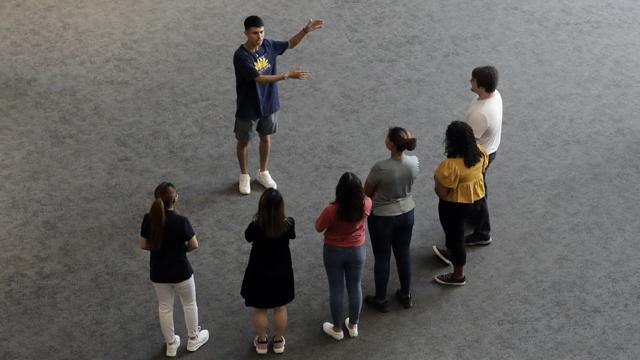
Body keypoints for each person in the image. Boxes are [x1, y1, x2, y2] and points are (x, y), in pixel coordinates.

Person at [233, 15, 324, 194]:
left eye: (261, 32)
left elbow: (289, 44)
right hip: (248, 106)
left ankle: (263, 171)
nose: (259, 36)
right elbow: (259, 78)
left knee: (265, 137)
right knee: (243, 142)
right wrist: (286, 76)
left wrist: (305, 31)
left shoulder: (268, 45)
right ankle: (244, 175)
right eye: (254, 33)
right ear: (245, 33)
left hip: (269, 103)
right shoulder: (241, 56)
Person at [139, 182, 209, 357]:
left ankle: (171, 344)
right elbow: (194, 244)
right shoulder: (181, 221)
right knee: (189, 304)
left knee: (164, 307)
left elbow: (143, 244)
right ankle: (193, 339)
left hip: (158, 272)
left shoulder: (149, 219)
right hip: (181, 271)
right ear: (175, 199)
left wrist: (158, 249)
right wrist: (179, 250)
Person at [363, 127, 419, 312]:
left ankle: (381, 299)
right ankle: (405, 294)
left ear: (392, 144)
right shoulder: (413, 162)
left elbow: (367, 192)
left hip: (382, 217)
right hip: (407, 213)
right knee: (403, 254)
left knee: (382, 257)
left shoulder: (381, 168)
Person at [315, 172, 372, 340]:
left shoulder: (331, 210)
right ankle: (353, 325)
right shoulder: (366, 204)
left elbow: (318, 227)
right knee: (355, 286)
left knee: (336, 288)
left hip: (334, 251)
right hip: (357, 250)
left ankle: (337, 329)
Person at [432, 121, 489, 286]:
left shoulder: (450, 166)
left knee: (455, 237)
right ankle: (451, 252)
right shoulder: (481, 153)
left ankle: (458, 275)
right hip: (477, 199)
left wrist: (438, 180)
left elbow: (441, 192)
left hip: (454, 207)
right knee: (455, 235)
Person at [241, 188, 296, 354]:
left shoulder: (256, 226)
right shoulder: (288, 224)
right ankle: (278, 341)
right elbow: (292, 236)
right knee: (280, 307)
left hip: (259, 272)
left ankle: (262, 341)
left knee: (260, 308)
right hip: (282, 272)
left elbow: (247, 237)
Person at [464, 65, 502, 245]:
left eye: (473, 80)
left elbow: (469, 141)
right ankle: (474, 215)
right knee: (480, 185)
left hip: (479, 156)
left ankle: (483, 233)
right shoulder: (495, 95)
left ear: (481, 86)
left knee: (476, 192)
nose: (470, 81)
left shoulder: (480, 114)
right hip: (490, 149)